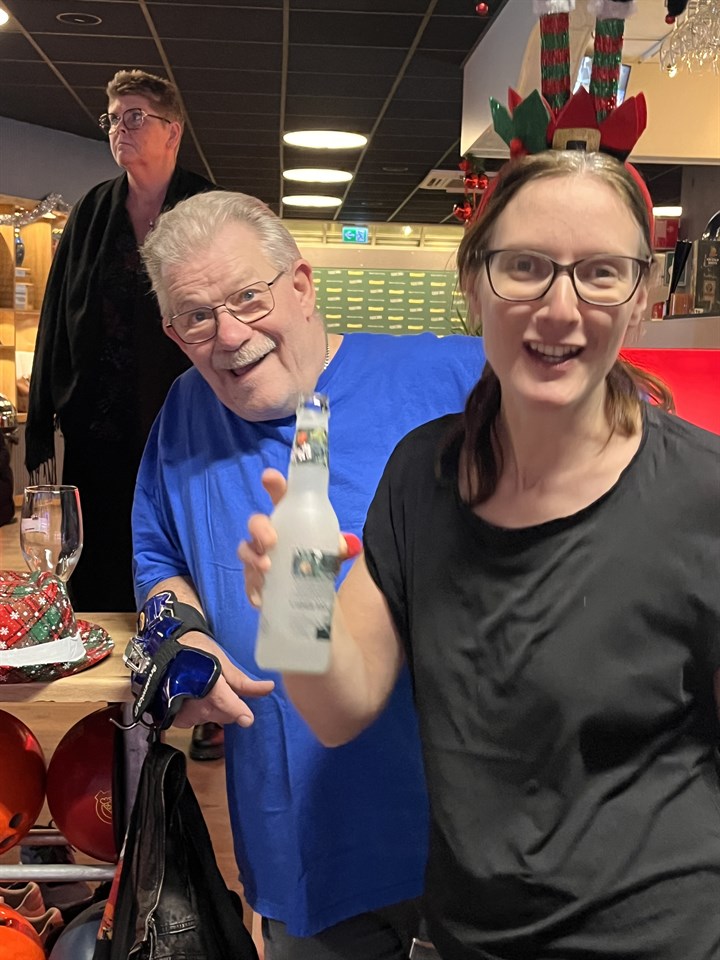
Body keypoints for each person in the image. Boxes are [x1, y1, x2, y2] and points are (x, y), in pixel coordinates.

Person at [243, 150, 720, 959]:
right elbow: (339, 709)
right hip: (469, 937)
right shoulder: (421, 474)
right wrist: (297, 606)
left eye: (601, 273)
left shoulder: (703, 495)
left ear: (640, 300)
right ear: (473, 283)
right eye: (525, 267)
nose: (560, 308)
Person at [133, 188, 486, 958]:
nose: (230, 335)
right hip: (302, 843)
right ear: (174, 333)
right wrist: (181, 637)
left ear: (300, 284)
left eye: (248, 298)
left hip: (471, 832)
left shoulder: (451, 376)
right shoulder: (184, 414)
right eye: (197, 316)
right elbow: (159, 559)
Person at [24, 68, 214, 615]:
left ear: (172, 131)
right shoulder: (92, 211)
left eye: (134, 117)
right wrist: (46, 408)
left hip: (181, 414)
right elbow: (58, 309)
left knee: (177, 541)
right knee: (100, 552)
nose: (118, 129)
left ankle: (182, 636)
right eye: (111, 119)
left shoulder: (206, 206)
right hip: (98, 422)